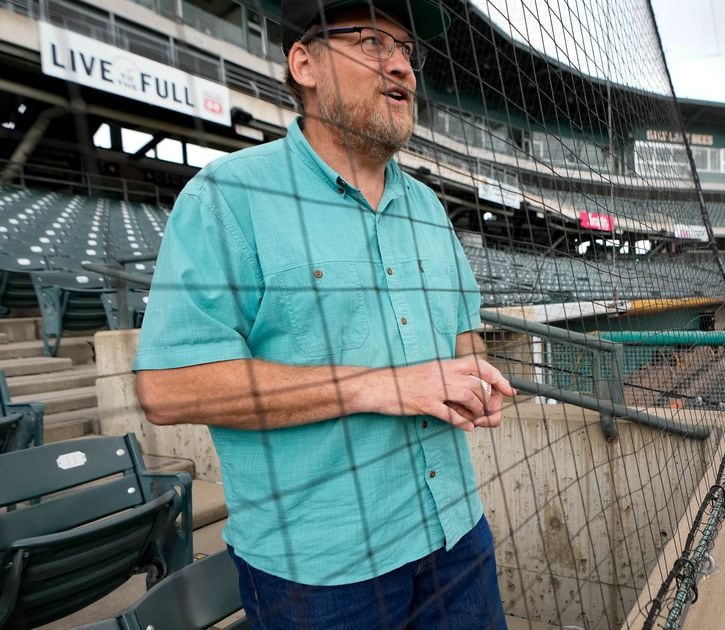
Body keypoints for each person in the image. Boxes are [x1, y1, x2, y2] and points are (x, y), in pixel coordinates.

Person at [133, 0, 516, 626]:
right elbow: (166, 388)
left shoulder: (427, 207)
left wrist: (474, 378)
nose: (400, 67)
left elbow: (464, 338)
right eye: (372, 43)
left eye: (406, 52)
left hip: (456, 534)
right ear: (304, 63)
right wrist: (384, 387)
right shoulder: (229, 195)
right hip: (320, 574)